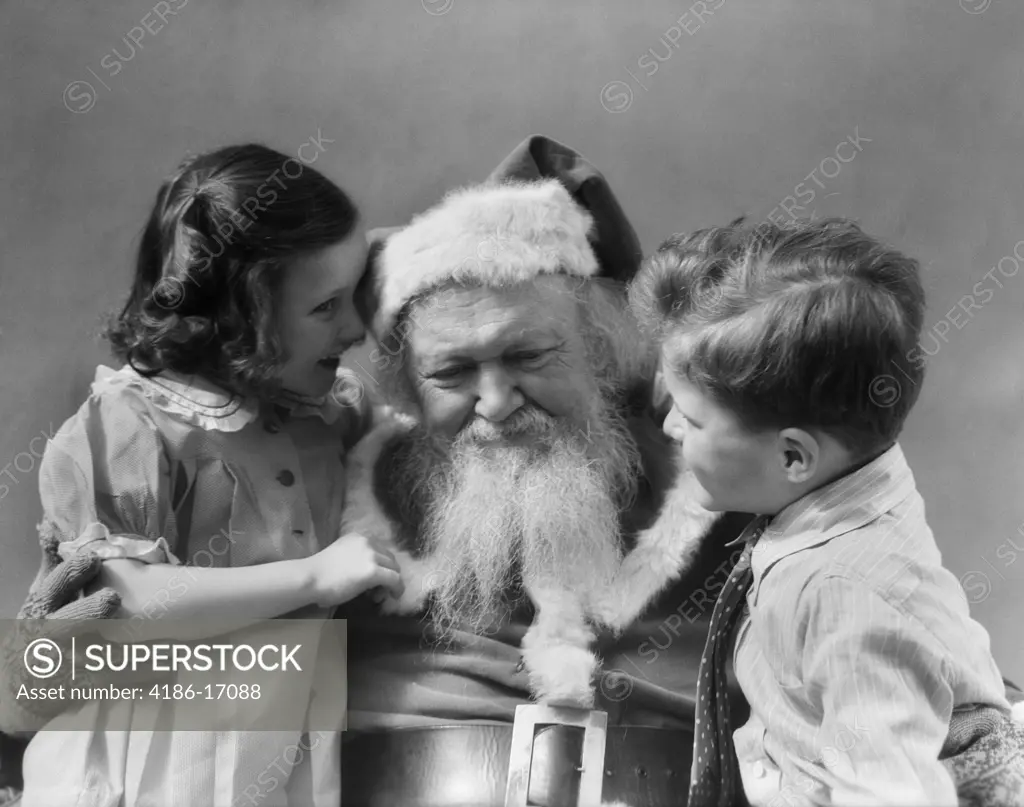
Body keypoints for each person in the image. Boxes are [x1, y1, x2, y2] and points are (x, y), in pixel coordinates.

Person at [334, 135, 754, 807]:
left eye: (528, 356)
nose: (496, 403)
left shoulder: (734, 486)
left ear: (601, 349)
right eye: (451, 372)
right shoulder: (335, 496)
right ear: (407, 388)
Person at [1, 143, 404, 807]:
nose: (356, 325)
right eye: (326, 306)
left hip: (271, 765)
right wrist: (315, 575)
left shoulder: (328, 415)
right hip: (145, 771)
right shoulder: (134, 422)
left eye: (354, 293)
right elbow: (122, 605)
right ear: (237, 317)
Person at [629, 217, 1024, 806]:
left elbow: (887, 793)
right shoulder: (854, 478)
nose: (668, 426)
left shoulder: (845, 598)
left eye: (691, 415)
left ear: (793, 454)